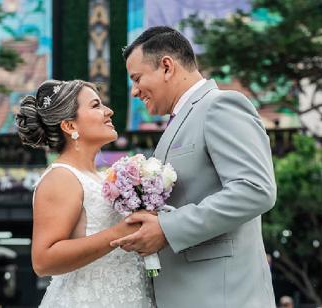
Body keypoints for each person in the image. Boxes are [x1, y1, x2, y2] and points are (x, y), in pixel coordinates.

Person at [111, 26, 277, 307]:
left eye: (137, 78)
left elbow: (256, 189)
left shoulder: (220, 106)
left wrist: (167, 228)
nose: (135, 91)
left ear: (166, 66)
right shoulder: (180, 120)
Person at [15, 80, 154, 307]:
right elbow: (43, 260)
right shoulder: (61, 178)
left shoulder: (100, 177)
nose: (108, 111)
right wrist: (119, 233)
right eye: (96, 105)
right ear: (70, 126)